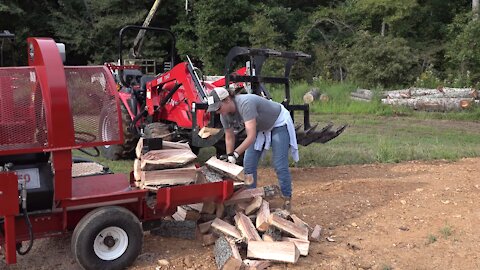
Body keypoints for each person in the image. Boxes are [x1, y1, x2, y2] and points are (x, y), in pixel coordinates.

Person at [206, 87, 299, 210]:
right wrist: (229, 156)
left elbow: (251, 136)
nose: (217, 112)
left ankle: (286, 198)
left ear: (227, 100)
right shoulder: (224, 115)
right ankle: (251, 198)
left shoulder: (245, 104)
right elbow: (229, 136)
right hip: (260, 127)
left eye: (218, 108)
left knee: (279, 165)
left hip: (278, 123)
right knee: (248, 166)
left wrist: (235, 154)